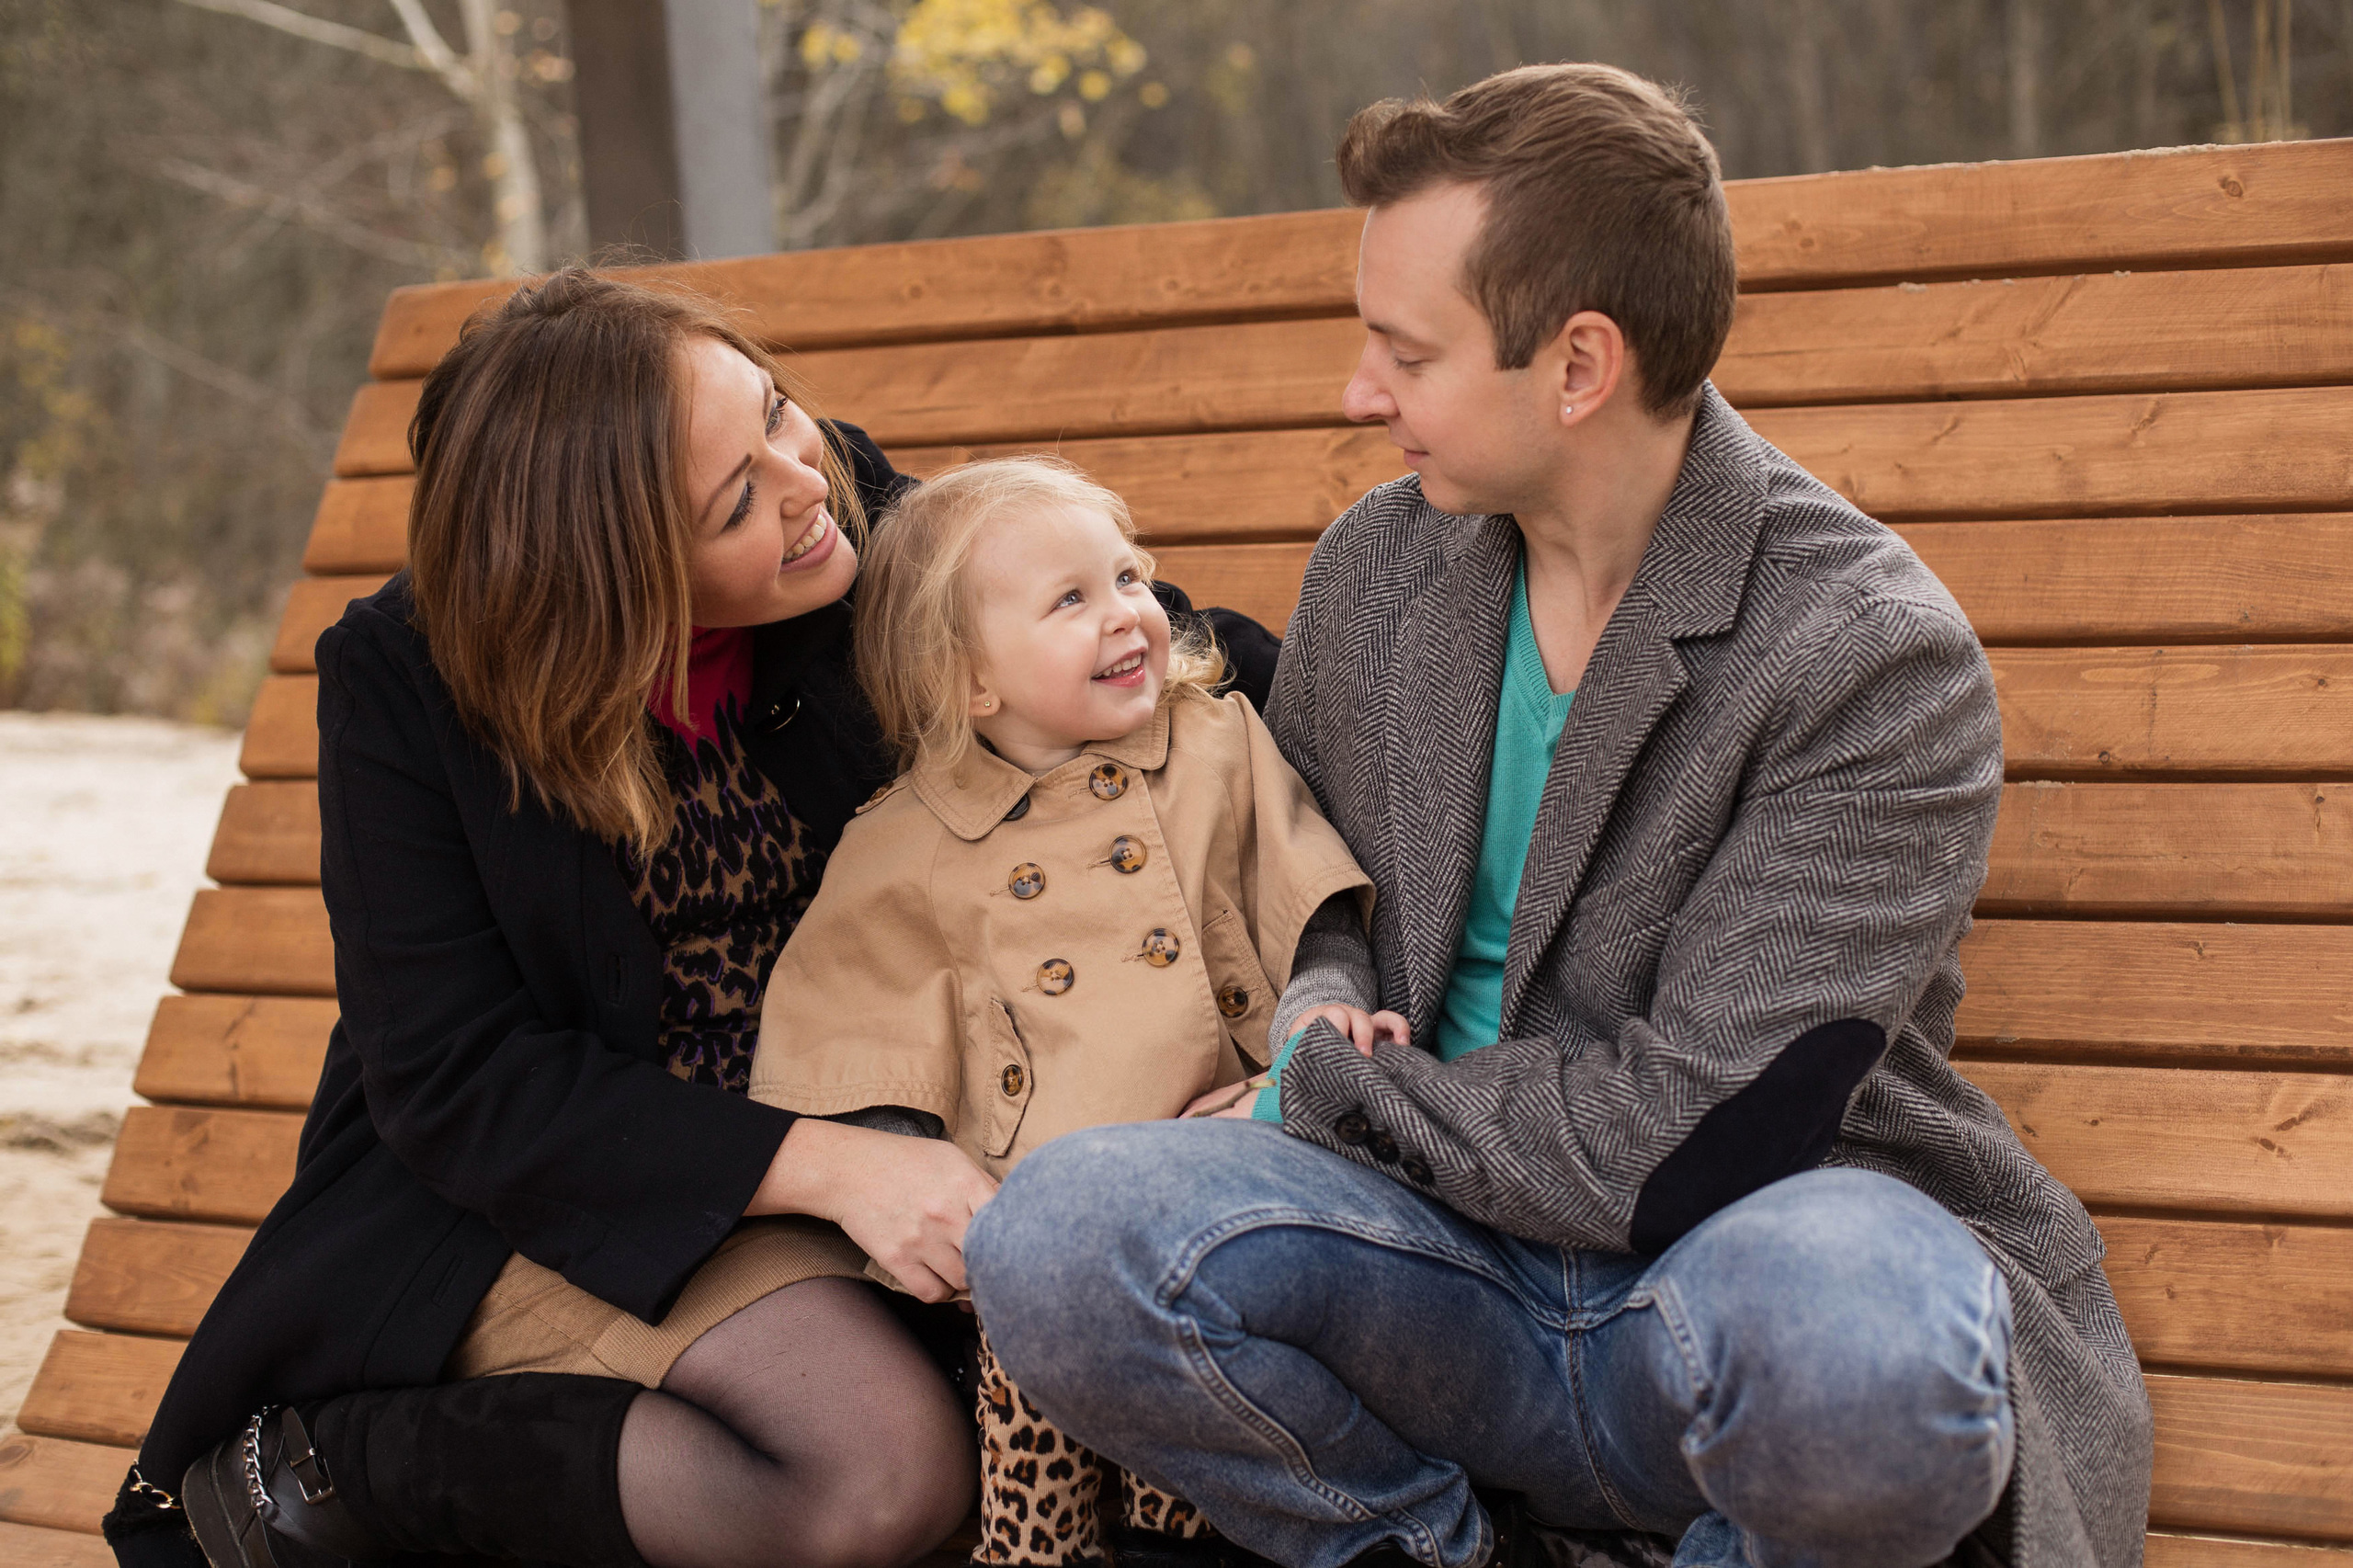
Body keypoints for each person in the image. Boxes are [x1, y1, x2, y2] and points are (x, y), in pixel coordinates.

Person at [961, 63, 2154, 1568]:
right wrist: (1325, 1001)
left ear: (1577, 366)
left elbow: (1693, 1136)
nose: (1360, 392)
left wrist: (1324, 1092)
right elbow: (1313, 895)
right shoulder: (1380, 569)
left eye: (1406, 350)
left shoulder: (1868, 654)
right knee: (1062, 1240)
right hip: (1433, 1276)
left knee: (1865, 1369)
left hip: (1741, 1259)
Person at [108, 271, 1278, 1568]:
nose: (804, 484)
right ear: (616, 578)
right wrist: (844, 1168)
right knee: (881, 1474)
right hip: (564, 1184)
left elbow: (1145, 653)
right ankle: (337, 1480)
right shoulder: (407, 679)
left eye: (779, 413)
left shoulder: (843, 513)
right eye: (734, 501)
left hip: (886, 1118)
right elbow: (456, 1076)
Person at [745, 456, 1376, 1568]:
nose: (1129, 611)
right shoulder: (905, 843)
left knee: (1199, 1475)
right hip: (1039, 1224)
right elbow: (849, 1052)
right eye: (1071, 600)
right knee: (1046, 1417)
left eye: (1127, 575)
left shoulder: (1216, 741)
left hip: (1238, 1150)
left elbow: (1311, 899)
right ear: (971, 680)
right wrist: (940, 1201)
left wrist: (1315, 1023)